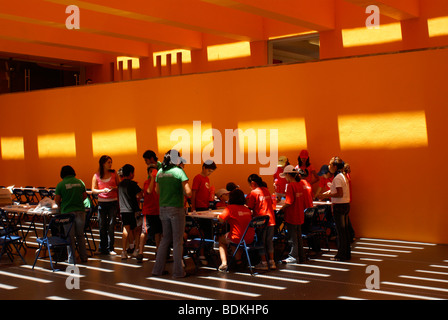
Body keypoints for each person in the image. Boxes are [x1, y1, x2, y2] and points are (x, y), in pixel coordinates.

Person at [152, 150, 192, 278]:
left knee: (165, 239)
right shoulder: (179, 171)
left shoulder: (160, 172)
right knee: (177, 241)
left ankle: (157, 270)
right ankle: (178, 272)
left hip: (163, 208)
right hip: (176, 208)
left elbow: (157, 191)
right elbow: (189, 192)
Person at [278, 165, 313, 264]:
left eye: (285, 175)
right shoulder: (300, 184)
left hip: (292, 216)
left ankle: (293, 256)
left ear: (289, 174)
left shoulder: (290, 186)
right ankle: (301, 256)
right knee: (298, 237)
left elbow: (289, 202)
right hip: (299, 214)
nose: (285, 178)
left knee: (293, 238)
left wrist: (281, 209)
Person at [319, 156, 351, 261]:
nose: (329, 166)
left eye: (330, 164)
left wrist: (326, 196)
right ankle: (346, 253)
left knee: (340, 232)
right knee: (344, 231)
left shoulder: (337, 178)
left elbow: (339, 193)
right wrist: (329, 193)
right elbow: (338, 191)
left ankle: (341, 255)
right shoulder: (343, 176)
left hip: (340, 206)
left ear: (335, 166)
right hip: (345, 205)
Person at [54, 165, 88, 263]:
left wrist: (63, 205)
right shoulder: (80, 182)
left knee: (70, 236)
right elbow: (85, 196)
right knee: (80, 235)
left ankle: (72, 258)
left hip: (67, 213)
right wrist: (76, 202)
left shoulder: (60, 185)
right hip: (80, 211)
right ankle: (84, 257)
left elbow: (57, 200)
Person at [217, 189, 254, 272]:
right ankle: (238, 261)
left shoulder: (230, 208)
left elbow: (221, 220)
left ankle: (224, 263)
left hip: (237, 238)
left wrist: (218, 216)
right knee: (234, 237)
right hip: (250, 238)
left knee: (221, 240)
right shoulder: (246, 209)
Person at [246, 174, 276, 270]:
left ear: (253, 183)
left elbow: (250, 207)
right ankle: (272, 262)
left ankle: (263, 263)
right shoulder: (266, 190)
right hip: (271, 219)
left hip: (260, 221)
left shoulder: (254, 193)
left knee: (261, 242)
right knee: (269, 241)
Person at [91, 155, 120, 255]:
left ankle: (110, 247)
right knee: (102, 225)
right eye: (108, 162)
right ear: (103, 164)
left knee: (111, 225)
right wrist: (102, 190)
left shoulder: (114, 173)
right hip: (102, 202)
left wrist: (114, 188)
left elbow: (119, 186)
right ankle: (102, 247)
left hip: (112, 202)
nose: (110, 164)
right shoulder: (96, 175)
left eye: (111, 162)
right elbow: (93, 190)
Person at [118, 164, 143, 260]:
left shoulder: (120, 184)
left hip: (124, 210)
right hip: (133, 210)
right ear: (131, 173)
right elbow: (139, 195)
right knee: (137, 230)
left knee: (125, 230)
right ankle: (136, 250)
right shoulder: (133, 184)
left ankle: (123, 252)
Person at [137, 165, 161, 262]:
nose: (153, 173)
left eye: (155, 171)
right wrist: (152, 179)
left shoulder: (160, 183)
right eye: (151, 171)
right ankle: (140, 252)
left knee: (158, 232)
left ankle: (158, 251)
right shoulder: (147, 183)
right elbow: (149, 191)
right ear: (148, 173)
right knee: (144, 232)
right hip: (148, 211)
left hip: (158, 211)